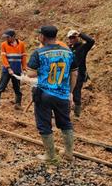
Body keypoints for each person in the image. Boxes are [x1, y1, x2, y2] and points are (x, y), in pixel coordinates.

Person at [26, 25, 78, 163]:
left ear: (42, 37)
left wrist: (44, 71)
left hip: (44, 94)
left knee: (44, 124)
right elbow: (74, 74)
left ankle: (50, 155)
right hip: (62, 94)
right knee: (66, 123)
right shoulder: (68, 53)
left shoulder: (39, 53)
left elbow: (30, 73)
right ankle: (68, 154)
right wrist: (70, 92)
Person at [0, 29, 28, 109]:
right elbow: (4, 58)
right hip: (6, 70)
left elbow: (23, 57)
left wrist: (24, 68)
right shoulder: (4, 45)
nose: (6, 39)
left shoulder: (21, 44)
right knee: (1, 86)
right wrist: (8, 68)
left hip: (17, 70)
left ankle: (18, 104)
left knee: (17, 87)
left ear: (13, 37)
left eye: (8, 37)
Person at [67, 29, 95, 117]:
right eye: (70, 38)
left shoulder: (83, 47)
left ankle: (77, 114)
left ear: (77, 38)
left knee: (76, 92)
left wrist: (80, 34)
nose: (71, 39)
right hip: (68, 73)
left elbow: (91, 41)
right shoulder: (69, 48)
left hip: (79, 73)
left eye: (73, 37)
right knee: (67, 92)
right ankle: (66, 112)